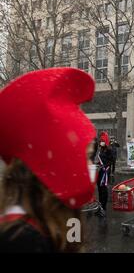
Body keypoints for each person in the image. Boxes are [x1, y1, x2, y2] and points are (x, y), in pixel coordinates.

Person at [0, 68, 96, 252]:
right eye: (86, 157)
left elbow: (73, 242)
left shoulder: (66, 214)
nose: (91, 166)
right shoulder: (20, 240)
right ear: (58, 162)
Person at [97, 131, 113, 217]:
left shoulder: (109, 150)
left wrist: (106, 166)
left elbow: (111, 160)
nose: (101, 142)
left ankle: (104, 207)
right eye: (100, 141)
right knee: (99, 188)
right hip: (100, 171)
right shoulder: (101, 149)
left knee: (104, 189)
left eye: (102, 141)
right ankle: (100, 207)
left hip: (105, 171)